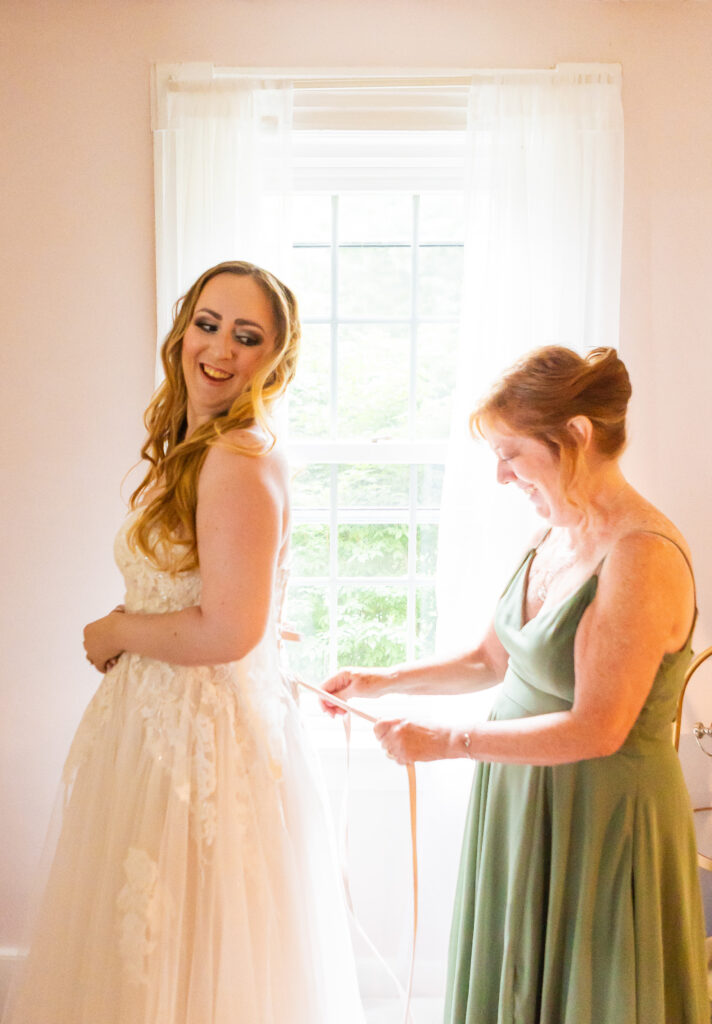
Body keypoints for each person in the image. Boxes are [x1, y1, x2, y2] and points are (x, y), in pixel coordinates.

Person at [3, 261, 365, 1024]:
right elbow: (214, 593)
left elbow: (232, 630)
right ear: (183, 329)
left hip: (198, 745)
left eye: (247, 336)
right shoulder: (202, 447)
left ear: (276, 357)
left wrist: (114, 631)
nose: (220, 349)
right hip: (160, 725)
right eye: (208, 324)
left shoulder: (238, 458)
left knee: (185, 957)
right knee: (145, 952)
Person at [322, 346, 709, 1023]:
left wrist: (445, 741)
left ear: (577, 437)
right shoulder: (551, 532)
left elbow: (597, 727)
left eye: (512, 454)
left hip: (602, 819)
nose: (501, 476)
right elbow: (491, 661)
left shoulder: (641, 557)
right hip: (524, 799)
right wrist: (379, 682)